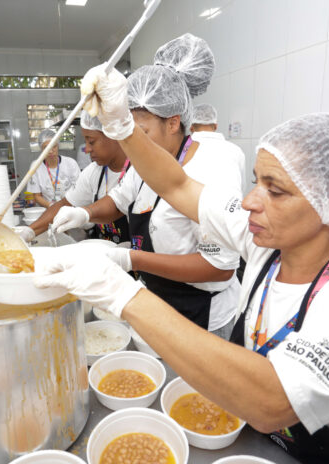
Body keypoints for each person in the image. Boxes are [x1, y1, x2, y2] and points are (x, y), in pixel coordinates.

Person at [36, 60, 329, 464]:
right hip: (266, 443)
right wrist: (123, 128)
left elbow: (273, 401)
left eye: (276, 191)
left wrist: (122, 290)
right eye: (257, 181)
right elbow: (177, 183)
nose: (251, 200)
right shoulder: (268, 240)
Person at [50, 34, 241, 339]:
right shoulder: (144, 163)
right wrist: (84, 215)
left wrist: (131, 258)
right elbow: (117, 201)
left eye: (140, 132)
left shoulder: (211, 167)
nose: (132, 145)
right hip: (157, 301)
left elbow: (219, 267)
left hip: (203, 315)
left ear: (173, 122)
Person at [16, 111, 131, 244]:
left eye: (91, 142)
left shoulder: (138, 172)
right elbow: (65, 203)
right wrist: (29, 232)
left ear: (113, 136)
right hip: (104, 249)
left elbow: (117, 206)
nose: (86, 149)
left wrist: (85, 214)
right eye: (85, 141)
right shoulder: (93, 172)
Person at [191, 103, 246, 195]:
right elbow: (241, 187)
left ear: (191, 127)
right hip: (228, 206)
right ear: (216, 126)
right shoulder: (236, 151)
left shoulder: (183, 149)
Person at [27, 129, 80, 208]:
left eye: (54, 146)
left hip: (70, 208)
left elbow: (79, 189)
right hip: (48, 209)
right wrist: (52, 206)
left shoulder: (70, 163)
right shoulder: (36, 166)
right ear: (41, 149)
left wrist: (67, 206)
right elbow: (37, 196)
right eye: (46, 147)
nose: (51, 151)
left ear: (58, 146)